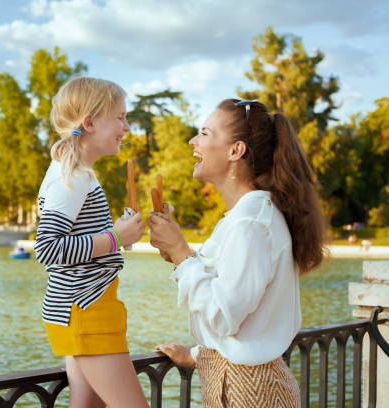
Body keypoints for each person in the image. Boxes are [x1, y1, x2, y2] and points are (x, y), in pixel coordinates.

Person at [148, 99, 326, 407]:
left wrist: (179, 250)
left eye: (204, 133)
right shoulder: (246, 216)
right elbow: (237, 307)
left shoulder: (251, 222)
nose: (193, 141)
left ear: (235, 150)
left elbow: (223, 315)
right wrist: (198, 355)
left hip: (251, 394)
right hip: (244, 385)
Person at [34, 77, 148, 408]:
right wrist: (116, 237)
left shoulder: (76, 172)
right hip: (85, 310)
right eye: (120, 117)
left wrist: (118, 233)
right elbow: (49, 249)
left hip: (86, 308)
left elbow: (75, 240)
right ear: (90, 122)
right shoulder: (74, 176)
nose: (125, 128)